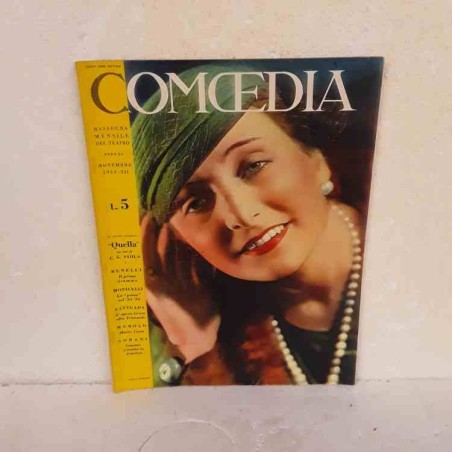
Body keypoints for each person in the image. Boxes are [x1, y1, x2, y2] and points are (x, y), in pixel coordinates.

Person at [132, 64, 363, 386]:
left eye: (253, 166)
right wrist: (198, 348)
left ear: (316, 160)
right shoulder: (224, 331)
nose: (241, 215)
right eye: (195, 202)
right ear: (177, 238)